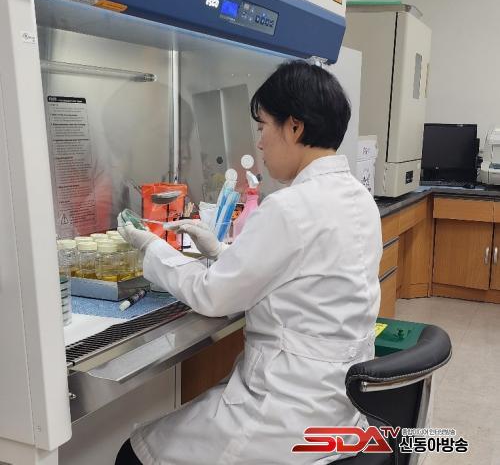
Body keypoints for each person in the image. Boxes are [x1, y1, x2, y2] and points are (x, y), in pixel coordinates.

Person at [116, 60, 382, 465]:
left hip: (284, 415)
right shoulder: (359, 199)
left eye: (263, 127)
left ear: (294, 127)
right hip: (338, 407)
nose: (259, 143)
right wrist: (218, 252)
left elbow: (212, 296)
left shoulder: (290, 207)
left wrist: (151, 248)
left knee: (134, 454)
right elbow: (300, 278)